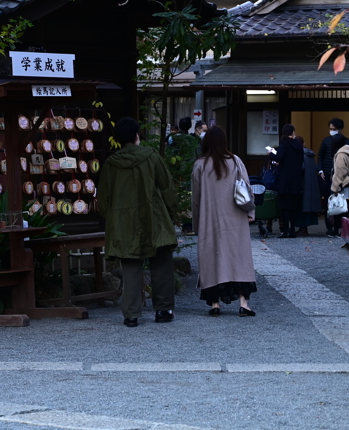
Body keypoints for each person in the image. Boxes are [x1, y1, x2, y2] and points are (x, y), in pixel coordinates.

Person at [97, 117, 180, 327]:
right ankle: (163, 310)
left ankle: (131, 314)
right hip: (155, 217)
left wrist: (112, 218)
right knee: (161, 263)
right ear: (137, 136)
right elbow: (167, 187)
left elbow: (103, 200)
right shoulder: (151, 156)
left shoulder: (111, 164)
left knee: (131, 266)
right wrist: (172, 212)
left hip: (124, 221)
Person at [192, 126, 257, 316]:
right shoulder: (235, 161)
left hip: (209, 218)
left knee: (212, 256)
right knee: (239, 257)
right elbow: (246, 188)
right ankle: (243, 303)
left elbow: (195, 199)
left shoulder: (200, 165)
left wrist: (196, 224)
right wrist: (250, 211)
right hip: (235, 217)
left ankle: (215, 304)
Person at [318, 118, 349, 237]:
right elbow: (320, 156)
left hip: (340, 178)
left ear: (340, 129)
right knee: (329, 203)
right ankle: (330, 228)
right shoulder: (326, 141)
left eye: (334, 129)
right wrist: (320, 170)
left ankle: (338, 228)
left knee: (340, 204)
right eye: (331, 129)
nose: (332, 131)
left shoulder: (347, 143)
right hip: (327, 175)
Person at [273, 124, 304, 238]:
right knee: (293, 208)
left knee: (284, 207)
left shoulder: (284, 144)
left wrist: (270, 154)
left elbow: (279, 157)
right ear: (293, 132)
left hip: (285, 180)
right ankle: (292, 230)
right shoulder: (299, 145)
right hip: (296, 180)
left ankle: (285, 231)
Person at [328, 132, 349, 231]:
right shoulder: (347, 152)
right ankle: (346, 229)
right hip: (346, 183)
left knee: (339, 209)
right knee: (343, 208)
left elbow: (339, 172)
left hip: (341, 184)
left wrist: (335, 187)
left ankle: (338, 230)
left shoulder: (340, 155)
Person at [298, 137, 323, 236]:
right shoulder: (310, 154)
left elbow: (301, 169)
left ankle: (302, 229)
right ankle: (304, 228)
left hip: (303, 185)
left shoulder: (300, 155)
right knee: (307, 207)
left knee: (302, 208)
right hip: (311, 185)